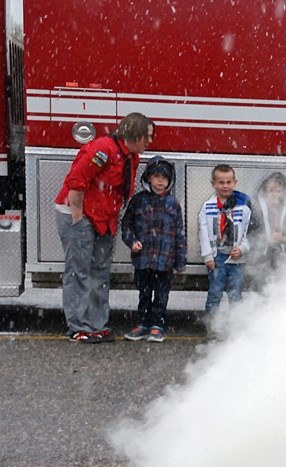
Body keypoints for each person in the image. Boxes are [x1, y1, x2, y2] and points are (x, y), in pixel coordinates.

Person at [54, 112, 154, 343]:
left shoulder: (130, 156)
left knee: (99, 272)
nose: (149, 141)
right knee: (78, 271)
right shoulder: (102, 150)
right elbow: (76, 182)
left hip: (104, 218)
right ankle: (78, 327)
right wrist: (78, 219)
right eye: (147, 136)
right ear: (135, 134)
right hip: (82, 215)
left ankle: (96, 324)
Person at [120, 156, 187, 343]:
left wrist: (180, 260)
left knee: (161, 293)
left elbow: (179, 233)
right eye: (156, 176)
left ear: (170, 180)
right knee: (144, 293)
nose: (160, 181)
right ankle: (143, 324)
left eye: (164, 178)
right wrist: (132, 241)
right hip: (143, 259)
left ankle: (158, 325)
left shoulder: (173, 203)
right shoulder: (138, 201)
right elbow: (127, 225)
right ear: (148, 178)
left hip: (165, 261)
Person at [198, 163, 254, 313]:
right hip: (217, 258)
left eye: (229, 182)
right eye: (221, 182)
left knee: (235, 295)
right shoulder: (208, 206)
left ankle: (235, 328)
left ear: (235, 183)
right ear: (213, 184)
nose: (225, 186)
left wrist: (242, 249)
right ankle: (212, 327)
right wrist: (208, 256)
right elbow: (203, 232)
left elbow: (250, 232)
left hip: (237, 260)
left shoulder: (244, 206)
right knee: (214, 294)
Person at [252, 171, 286, 271]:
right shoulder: (255, 213)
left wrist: (285, 239)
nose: (274, 195)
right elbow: (248, 237)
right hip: (259, 262)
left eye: (278, 191)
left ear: (284, 193)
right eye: (270, 190)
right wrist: (265, 240)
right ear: (264, 192)